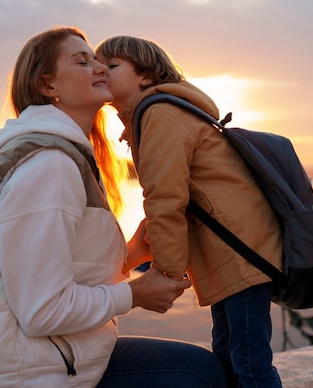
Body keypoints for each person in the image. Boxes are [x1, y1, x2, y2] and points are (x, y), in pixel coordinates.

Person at [0, 26, 226, 388]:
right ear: (49, 86)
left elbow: (58, 270)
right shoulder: (47, 166)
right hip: (25, 375)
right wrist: (136, 294)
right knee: (199, 376)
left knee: (200, 368)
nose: (99, 68)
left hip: (53, 357)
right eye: (83, 61)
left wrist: (127, 256)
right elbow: (41, 310)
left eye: (98, 59)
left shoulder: (61, 155)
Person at [95, 35, 284, 388]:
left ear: (146, 76)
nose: (98, 70)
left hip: (239, 254)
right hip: (234, 253)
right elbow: (165, 205)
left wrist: (166, 271)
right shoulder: (153, 114)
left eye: (111, 65)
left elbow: (165, 199)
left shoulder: (159, 113)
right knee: (231, 357)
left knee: (249, 363)